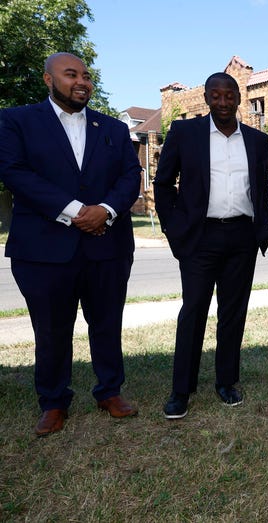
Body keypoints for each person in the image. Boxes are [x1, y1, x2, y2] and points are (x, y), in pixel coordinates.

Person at [0, 52, 141, 436]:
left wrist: (107, 210)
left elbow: (131, 176)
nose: (82, 81)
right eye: (71, 74)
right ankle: (53, 401)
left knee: (107, 323)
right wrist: (78, 211)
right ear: (48, 79)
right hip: (43, 249)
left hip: (107, 246)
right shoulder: (16, 120)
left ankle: (109, 391)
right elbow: (14, 172)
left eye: (86, 75)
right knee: (50, 329)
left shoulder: (111, 127)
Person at [154, 72, 268, 419]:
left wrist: (261, 224)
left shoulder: (255, 139)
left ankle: (226, 382)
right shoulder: (185, 134)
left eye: (229, 96)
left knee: (233, 313)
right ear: (206, 99)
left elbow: (262, 187)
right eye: (216, 96)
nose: (223, 103)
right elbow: (163, 184)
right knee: (193, 311)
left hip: (241, 237)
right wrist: (174, 229)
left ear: (239, 98)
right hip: (199, 237)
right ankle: (181, 390)